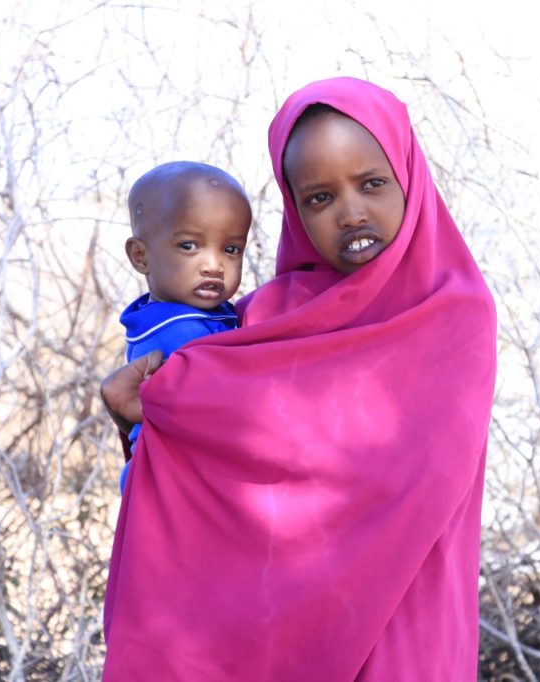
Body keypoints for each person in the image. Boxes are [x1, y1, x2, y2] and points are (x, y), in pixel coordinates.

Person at [100, 77, 497, 680]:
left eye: (371, 183)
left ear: (409, 179)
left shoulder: (454, 312)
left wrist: (187, 399)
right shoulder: (266, 317)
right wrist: (140, 419)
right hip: (276, 638)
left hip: (408, 623)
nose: (351, 211)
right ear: (294, 209)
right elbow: (210, 474)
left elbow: (407, 476)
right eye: (318, 198)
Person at [114, 161, 251, 490]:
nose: (214, 265)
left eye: (230, 249)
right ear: (140, 256)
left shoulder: (190, 313)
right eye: (189, 246)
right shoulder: (180, 330)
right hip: (170, 480)